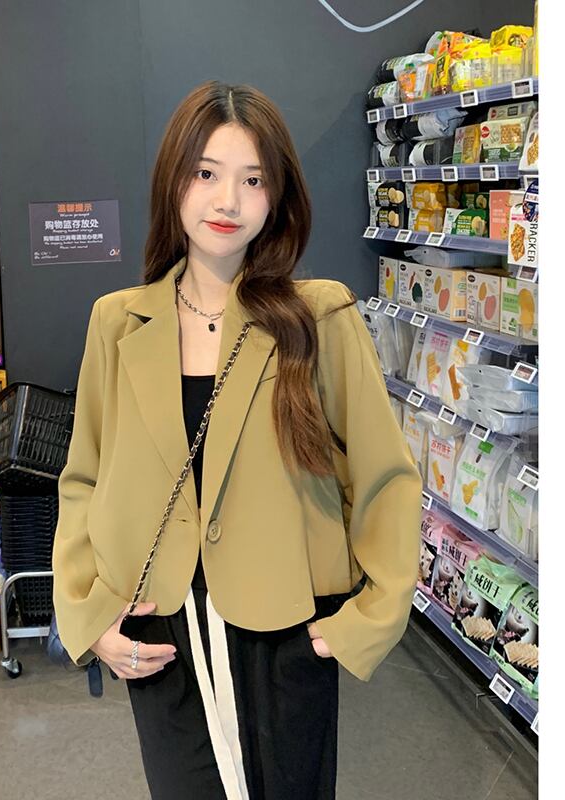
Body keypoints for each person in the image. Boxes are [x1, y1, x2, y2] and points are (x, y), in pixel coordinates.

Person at [52, 80, 422, 800]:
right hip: (158, 633)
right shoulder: (119, 322)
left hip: (285, 632)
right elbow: (84, 476)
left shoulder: (318, 317)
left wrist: (369, 618)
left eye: (253, 180)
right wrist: (87, 614)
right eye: (206, 173)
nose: (228, 201)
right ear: (174, 181)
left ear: (277, 196)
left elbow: (385, 477)